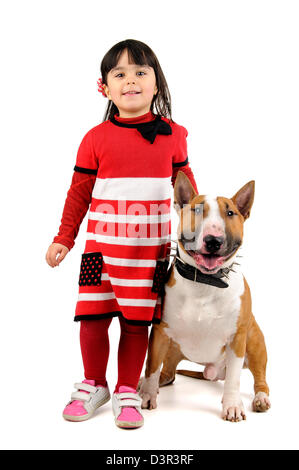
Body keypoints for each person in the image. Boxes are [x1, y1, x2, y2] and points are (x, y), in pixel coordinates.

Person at [45, 39, 198, 429]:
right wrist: (65, 236)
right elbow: (79, 192)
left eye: (140, 72)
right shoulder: (94, 138)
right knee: (93, 316)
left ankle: (127, 388)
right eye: (120, 74)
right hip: (100, 248)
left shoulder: (174, 135)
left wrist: (197, 228)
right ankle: (94, 384)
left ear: (156, 84)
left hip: (149, 252)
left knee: (136, 321)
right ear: (105, 88)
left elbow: (187, 187)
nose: (131, 80)